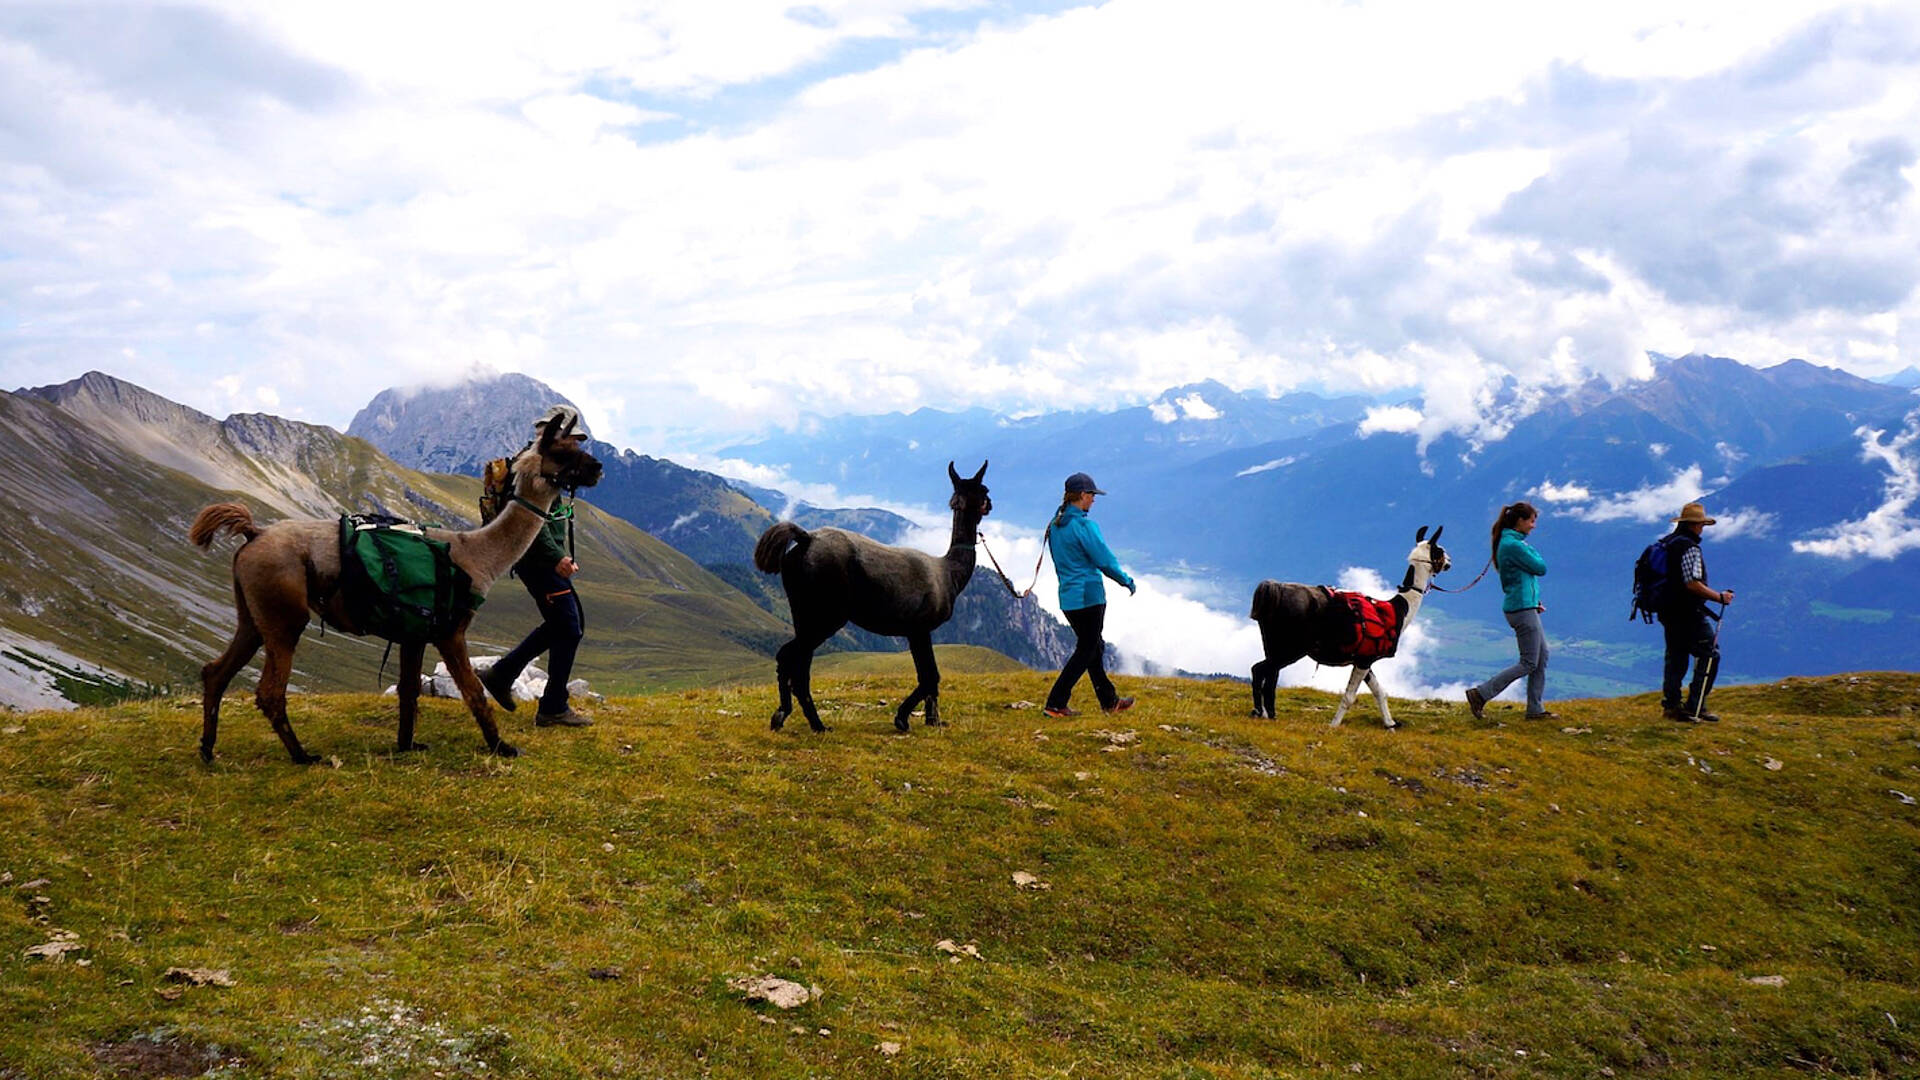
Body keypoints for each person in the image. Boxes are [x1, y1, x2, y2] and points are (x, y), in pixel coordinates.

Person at [481, 405, 593, 728]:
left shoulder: (545, 463)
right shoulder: (533, 467)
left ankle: (502, 675)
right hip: (537, 560)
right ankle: (552, 706)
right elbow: (532, 520)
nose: (577, 445)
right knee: (569, 625)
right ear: (557, 436)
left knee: (565, 624)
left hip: (541, 558)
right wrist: (556, 557)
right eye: (572, 438)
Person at [1043, 472, 1136, 718]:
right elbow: (1104, 559)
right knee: (1087, 649)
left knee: (1094, 646)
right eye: (1092, 495)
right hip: (1089, 596)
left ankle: (1109, 701)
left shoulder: (1056, 524)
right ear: (1082, 495)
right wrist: (1125, 581)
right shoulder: (1083, 526)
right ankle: (1055, 702)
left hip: (1068, 598)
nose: (1094, 500)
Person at [1464, 502, 1552, 721]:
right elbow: (1540, 568)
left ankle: (1535, 709)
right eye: (1531, 521)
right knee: (1529, 662)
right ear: (1520, 521)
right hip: (1521, 609)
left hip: (1524, 606)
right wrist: (1531, 550)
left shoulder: (1512, 543)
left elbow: (1522, 578)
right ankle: (1481, 694)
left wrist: (1533, 602)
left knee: (1542, 657)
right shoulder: (1514, 545)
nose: (1533, 526)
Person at [1658, 501, 1734, 723]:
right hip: (1688, 611)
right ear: (1695, 525)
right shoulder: (1690, 548)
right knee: (1710, 653)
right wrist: (1719, 597)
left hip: (1667, 610)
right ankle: (1696, 706)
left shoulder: (1667, 543)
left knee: (1676, 656)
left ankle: (1671, 706)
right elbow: (1692, 583)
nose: (1702, 529)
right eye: (1701, 524)